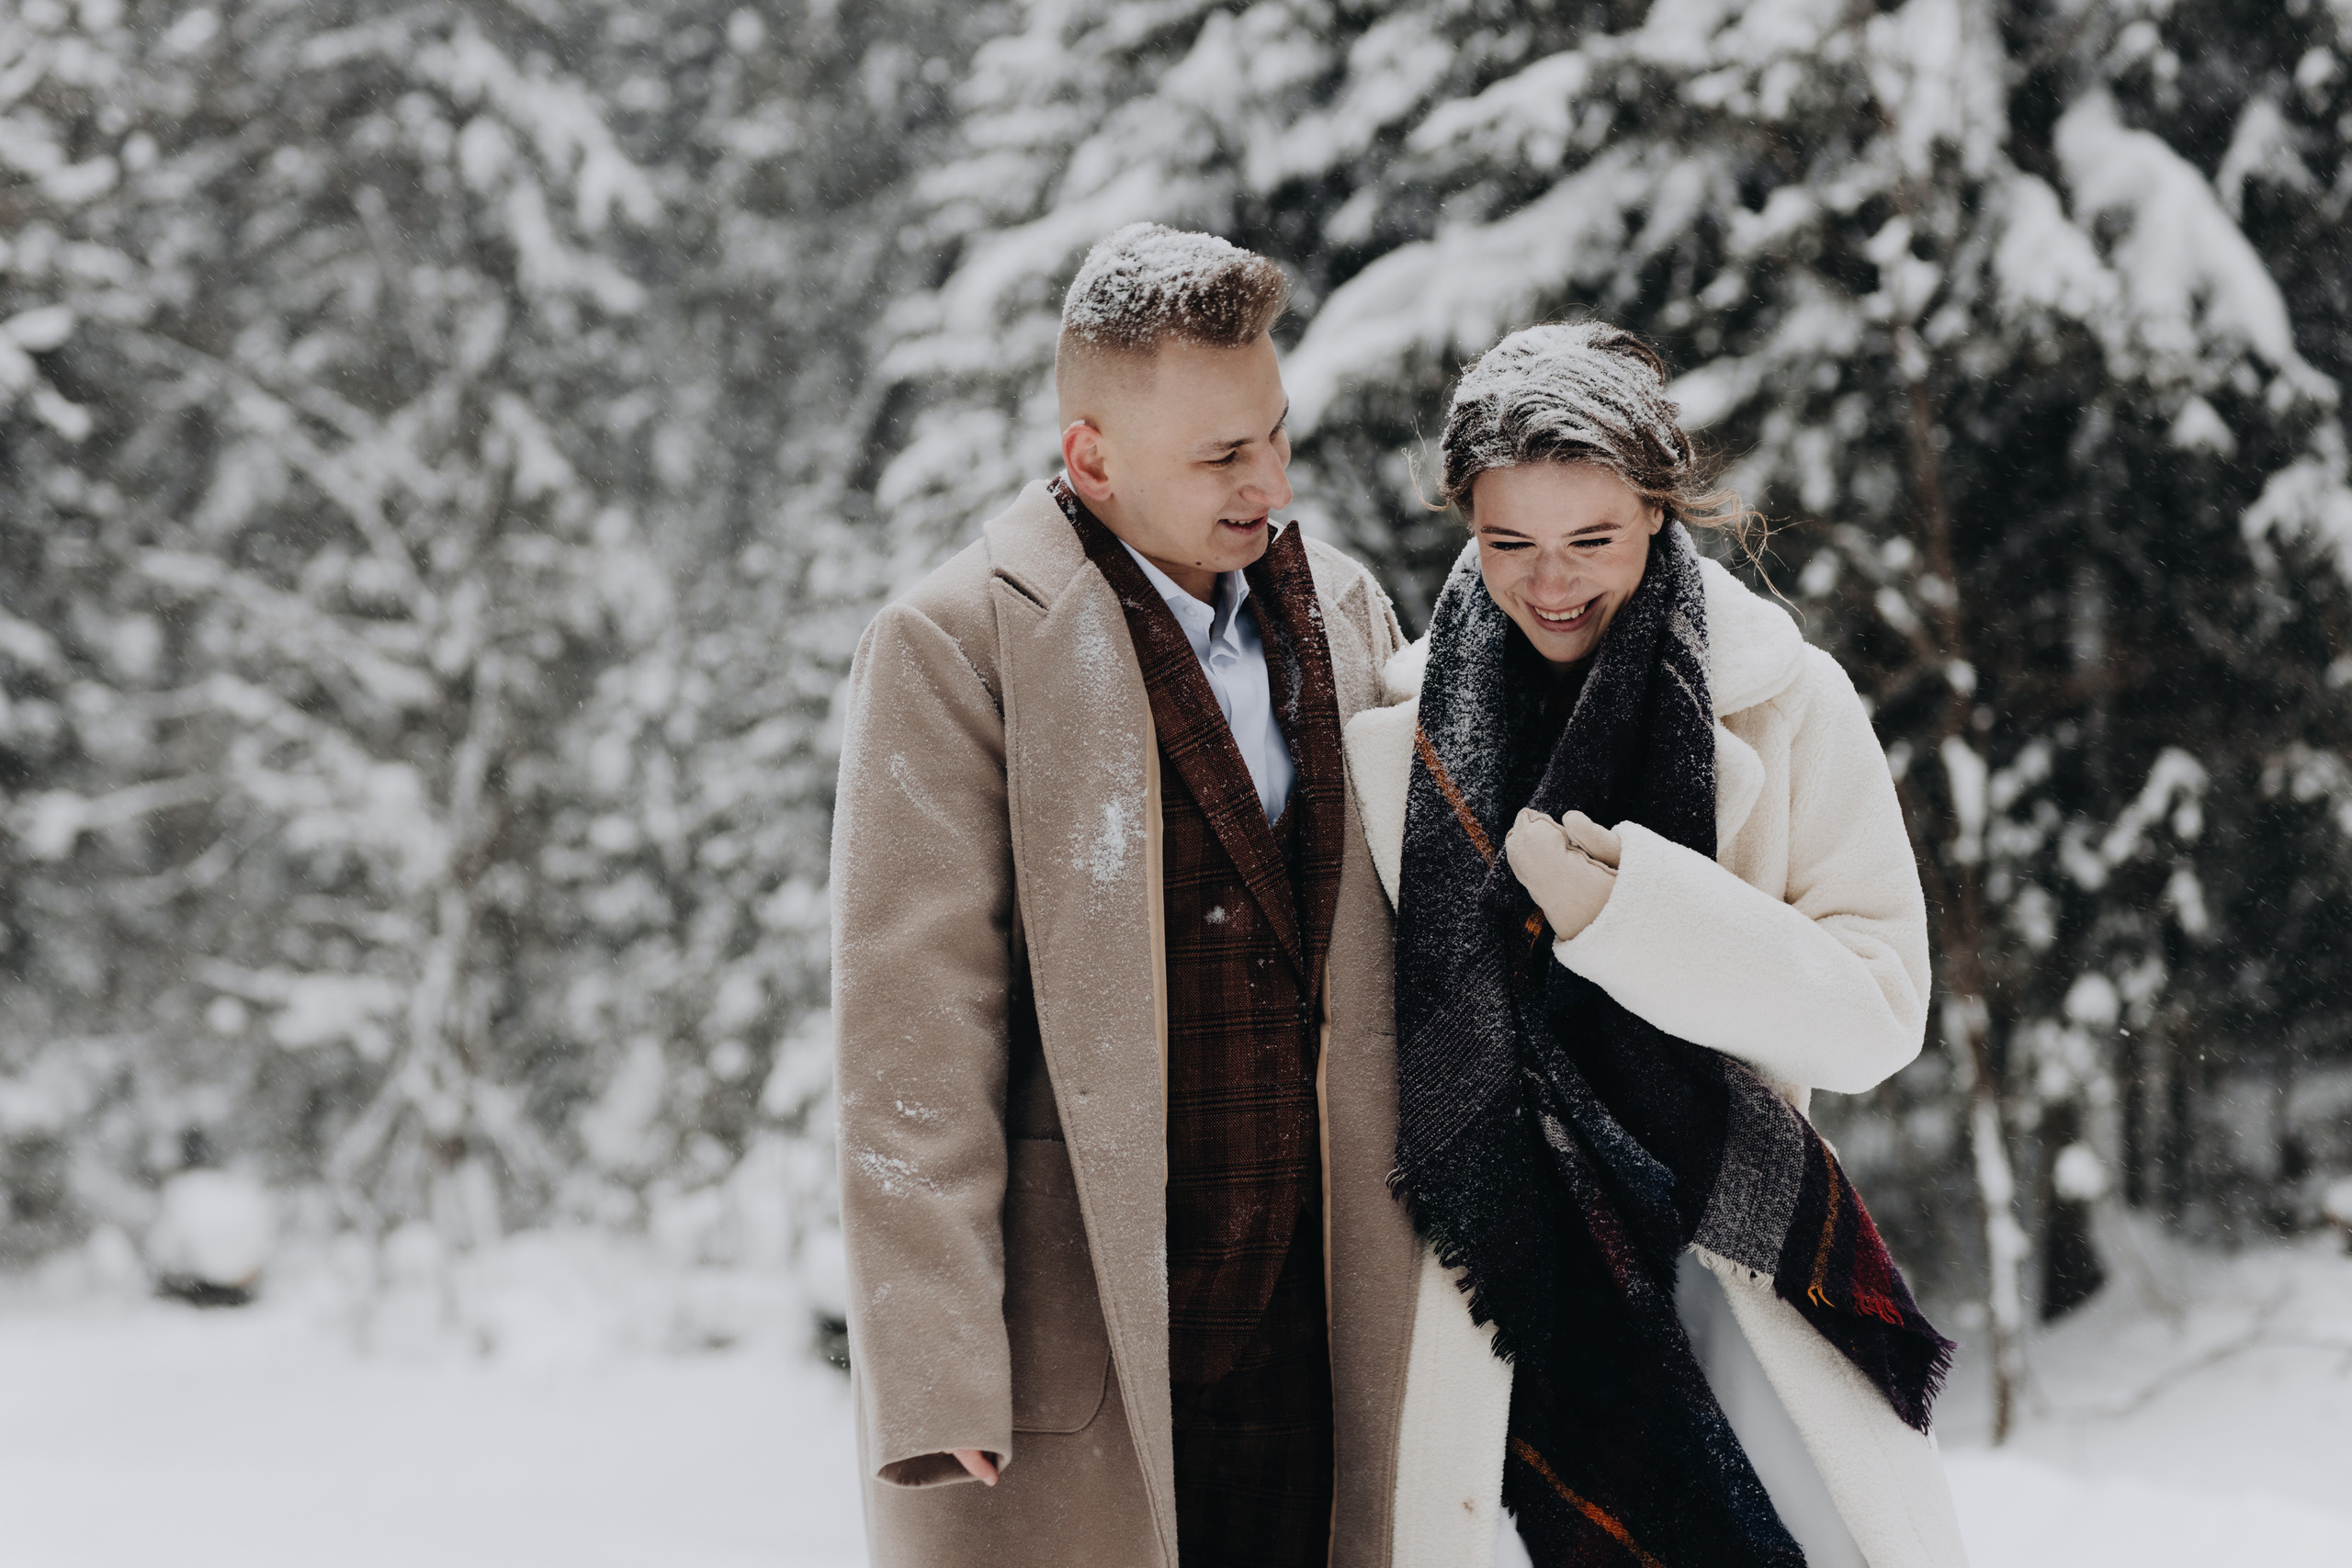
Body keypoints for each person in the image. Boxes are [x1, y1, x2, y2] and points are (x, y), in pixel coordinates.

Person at [831, 223, 1423, 1568]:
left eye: (1275, 433)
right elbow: (913, 1040)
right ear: (1091, 457)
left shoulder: (1345, 611)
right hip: (1096, 1324)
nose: (1271, 480)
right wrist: (936, 1366)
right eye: (1223, 455)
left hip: (1327, 1324)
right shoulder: (954, 644)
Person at [1338, 322, 1973, 1567]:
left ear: (1659, 510)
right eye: (1509, 543)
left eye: (1593, 541)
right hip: (1494, 1296)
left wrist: (1633, 917)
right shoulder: (1398, 730)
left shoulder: (1788, 701)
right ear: (1465, 524)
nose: (1551, 583)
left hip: (1731, 1257)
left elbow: (1881, 1016)